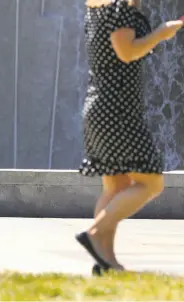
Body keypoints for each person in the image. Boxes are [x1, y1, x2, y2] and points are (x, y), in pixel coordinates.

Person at [77, 0, 183, 273]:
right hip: (117, 111)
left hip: (100, 107)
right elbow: (126, 52)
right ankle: (94, 232)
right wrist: (161, 33)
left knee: (116, 187)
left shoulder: (97, 7)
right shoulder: (120, 9)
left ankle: (106, 262)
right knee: (151, 183)